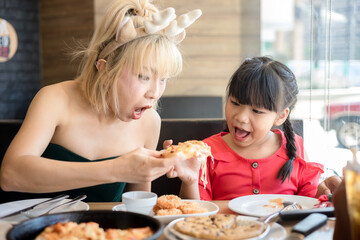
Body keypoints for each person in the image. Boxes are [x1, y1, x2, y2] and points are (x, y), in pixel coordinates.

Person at [0, 0, 202, 202]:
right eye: (144, 76)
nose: (155, 93)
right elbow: (10, 175)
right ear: (104, 70)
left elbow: (139, 205)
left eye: (163, 79)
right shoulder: (54, 99)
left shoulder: (149, 122)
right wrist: (116, 169)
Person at [198, 56, 339, 200]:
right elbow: (195, 211)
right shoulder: (205, 151)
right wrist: (189, 181)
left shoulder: (294, 148)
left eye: (257, 111)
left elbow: (306, 205)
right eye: (235, 103)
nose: (241, 117)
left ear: (280, 116)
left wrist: (323, 193)